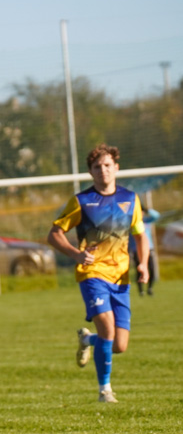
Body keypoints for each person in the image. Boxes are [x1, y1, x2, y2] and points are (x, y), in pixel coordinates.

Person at [47, 143, 149, 403]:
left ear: (116, 167)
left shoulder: (131, 199)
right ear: (90, 172)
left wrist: (143, 263)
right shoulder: (81, 201)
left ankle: (87, 340)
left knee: (119, 345)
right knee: (107, 328)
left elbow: (141, 235)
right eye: (97, 167)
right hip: (92, 273)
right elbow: (54, 234)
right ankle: (105, 390)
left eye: (107, 165)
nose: (103, 170)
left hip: (121, 277)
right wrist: (76, 254)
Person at [130, 202, 160, 296]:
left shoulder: (146, 221)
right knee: (139, 270)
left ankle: (150, 288)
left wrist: (147, 209)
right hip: (136, 250)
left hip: (149, 248)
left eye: (142, 211)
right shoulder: (131, 223)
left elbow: (156, 216)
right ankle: (141, 290)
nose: (141, 213)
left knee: (151, 269)